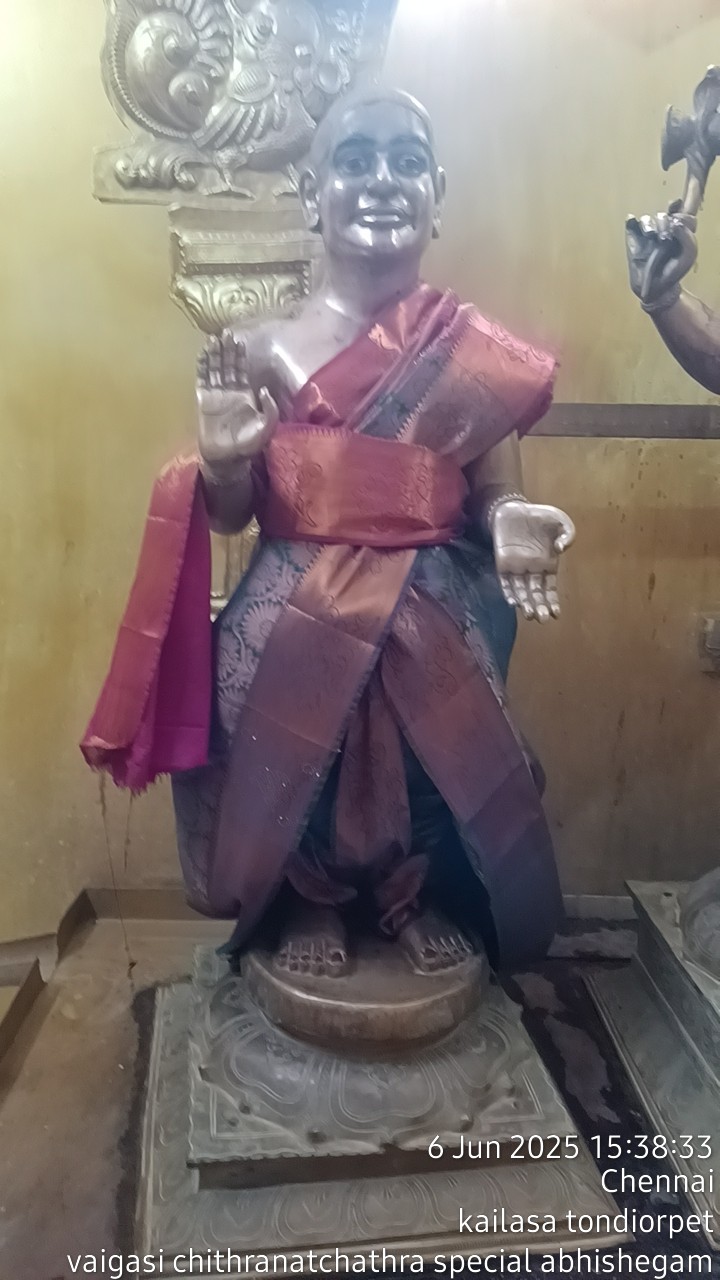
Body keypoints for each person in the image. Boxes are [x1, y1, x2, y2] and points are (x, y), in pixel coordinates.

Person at [82, 89, 575, 978]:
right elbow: (232, 513)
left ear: (437, 192)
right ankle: (309, 893)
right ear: (313, 195)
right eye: (354, 161)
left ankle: (410, 892)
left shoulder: (476, 356)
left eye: (406, 161)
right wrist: (223, 462)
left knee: (437, 741)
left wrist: (513, 523)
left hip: (436, 594)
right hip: (296, 599)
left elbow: (496, 491)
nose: (382, 180)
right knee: (281, 725)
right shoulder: (261, 346)